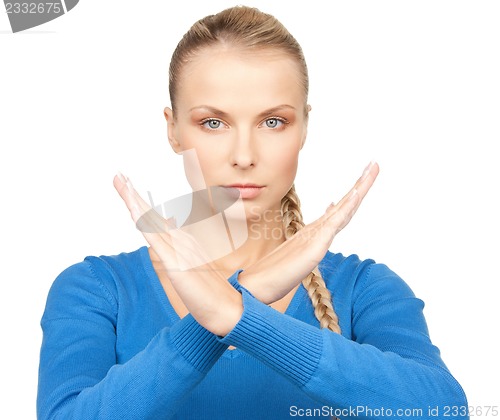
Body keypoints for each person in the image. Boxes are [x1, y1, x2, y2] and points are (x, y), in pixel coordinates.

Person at [37, 5, 468, 419]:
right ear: (172, 129)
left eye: (272, 122)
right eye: (213, 122)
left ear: (304, 127)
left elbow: (444, 411)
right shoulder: (98, 290)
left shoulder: (363, 290)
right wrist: (245, 299)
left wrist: (235, 314)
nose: (244, 155)